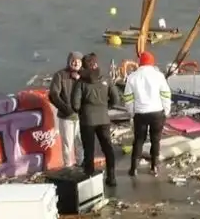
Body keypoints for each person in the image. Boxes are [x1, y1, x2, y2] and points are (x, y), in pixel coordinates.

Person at [72, 52, 121, 185]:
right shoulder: (106, 78)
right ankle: (111, 177)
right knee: (107, 147)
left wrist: (82, 110)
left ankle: (90, 178)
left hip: (87, 120)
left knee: (89, 150)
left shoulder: (81, 82)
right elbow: (116, 99)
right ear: (96, 64)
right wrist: (106, 106)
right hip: (104, 118)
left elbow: (75, 105)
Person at [123, 50, 172, 177]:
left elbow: (128, 97)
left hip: (140, 113)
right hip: (157, 112)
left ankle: (133, 168)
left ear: (140, 63)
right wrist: (166, 110)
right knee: (156, 140)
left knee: (139, 140)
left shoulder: (132, 77)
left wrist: (131, 112)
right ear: (152, 62)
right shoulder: (159, 76)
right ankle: (154, 167)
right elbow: (166, 94)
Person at [49, 52, 84, 167]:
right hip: (66, 117)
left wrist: (80, 79)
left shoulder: (85, 76)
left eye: (78, 61)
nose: (75, 63)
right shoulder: (60, 75)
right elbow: (53, 95)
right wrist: (66, 109)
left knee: (80, 142)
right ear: (69, 61)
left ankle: (81, 164)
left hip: (82, 116)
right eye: (73, 60)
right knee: (67, 144)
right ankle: (68, 166)